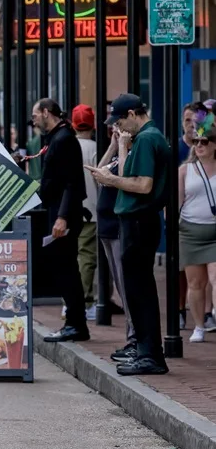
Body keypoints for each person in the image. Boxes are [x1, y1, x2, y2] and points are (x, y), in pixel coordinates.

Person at [88, 94, 169, 375]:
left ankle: (150, 354)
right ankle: (144, 349)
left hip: (139, 219)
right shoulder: (142, 138)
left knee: (140, 290)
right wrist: (120, 146)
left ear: (133, 114)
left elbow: (143, 184)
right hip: (134, 220)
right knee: (135, 290)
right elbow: (129, 174)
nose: (120, 127)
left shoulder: (147, 139)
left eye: (121, 120)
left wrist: (111, 180)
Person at [32, 99, 89, 343]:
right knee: (63, 269)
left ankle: (76, 324)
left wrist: (63, 217)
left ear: (46, 112)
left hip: (62, 215)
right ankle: (75, 323)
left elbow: (71, 182)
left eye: (35, 114)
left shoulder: (64, 139)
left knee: (66, 270)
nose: (34, 119)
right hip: (57, 211)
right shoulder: (57, 137)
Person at [97, 126, 136, 363]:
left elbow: (122, 179)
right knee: (121, 288)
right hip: (107, 229)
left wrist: (122, 146)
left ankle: (135, 339)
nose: (115, 130)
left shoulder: (131, 156)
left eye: (120, 128)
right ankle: (131, 337)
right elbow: (99, 173)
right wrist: (113, 146)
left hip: (120, 228)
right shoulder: (115, 155)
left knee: (128, 287)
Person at [178, 111, 216, 344]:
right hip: (191, 232)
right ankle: (199, 325)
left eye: (205, 141)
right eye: (196, 142)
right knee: (196, 283)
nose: (199, 145)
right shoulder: (185, 170)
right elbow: (176, 203)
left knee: (215, 276)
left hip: (215, 231)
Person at [73, 105, 99, 320]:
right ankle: (85, 302)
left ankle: (70, 302)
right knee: (87, 257)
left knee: (72, 256)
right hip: (91, 208)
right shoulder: (95, 148)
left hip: (69, 209)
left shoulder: (67, 145)